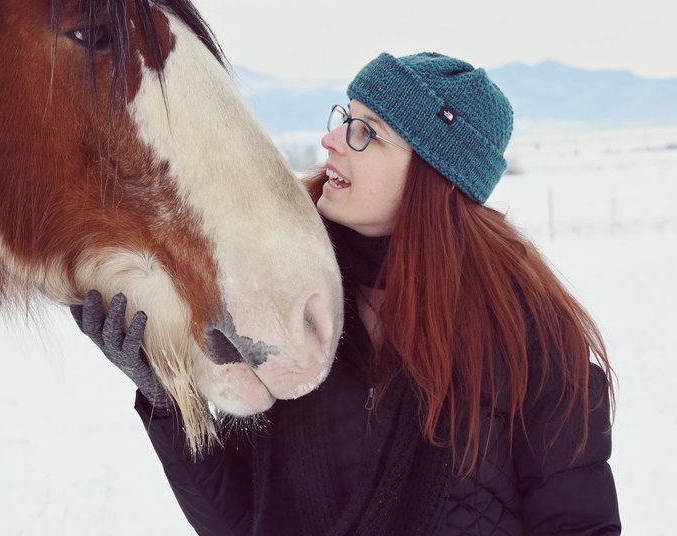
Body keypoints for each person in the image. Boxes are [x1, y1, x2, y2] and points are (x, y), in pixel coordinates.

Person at [74, 52, 619, 536]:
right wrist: (173, 402)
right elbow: (243, 522)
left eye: (368, 132)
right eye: (343, 118)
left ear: (435, 173)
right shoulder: (292, 304)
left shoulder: (527, 337)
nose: (332, 140)